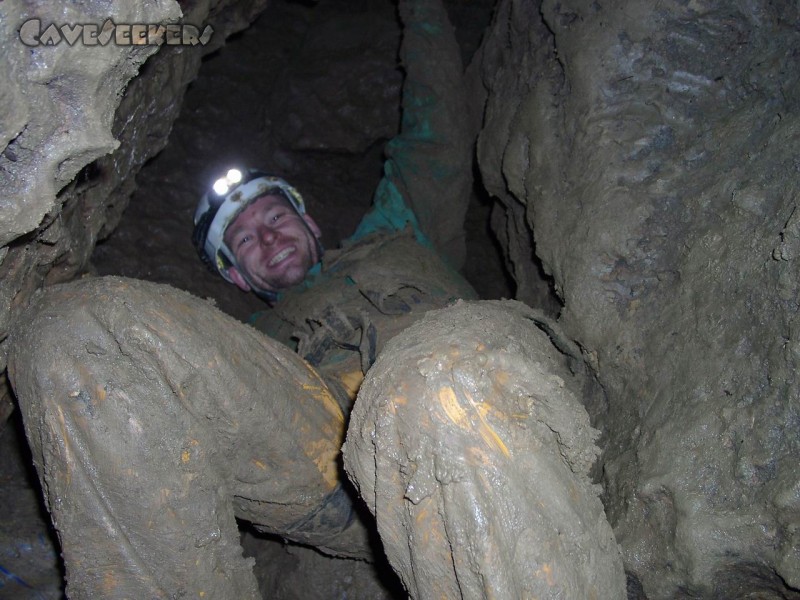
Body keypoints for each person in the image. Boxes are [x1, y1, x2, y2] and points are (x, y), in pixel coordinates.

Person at [7, 1, 626, 598]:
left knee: (436, 383)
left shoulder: (400, 227)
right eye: (244, 241)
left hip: (490, 391)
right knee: (69, 330)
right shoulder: (255, 341)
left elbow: (437, 121)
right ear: (239, 279)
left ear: (310, 224)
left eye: (273, 216)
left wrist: (422, 10)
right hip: (341, 459)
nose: (266, 236)